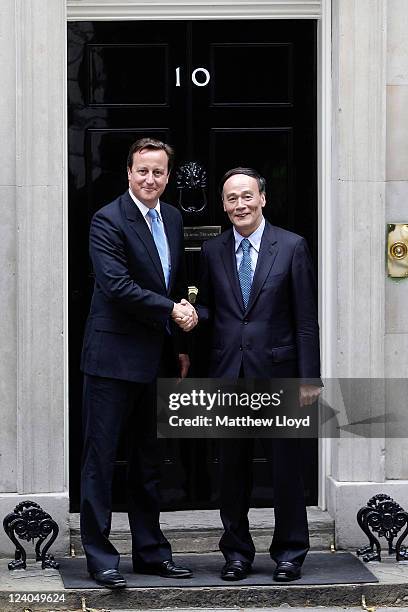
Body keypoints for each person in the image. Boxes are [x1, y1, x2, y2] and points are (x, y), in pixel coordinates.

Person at [80, 137, 197, 589]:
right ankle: (100, 557)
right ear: (129, 172)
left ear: (168, 177)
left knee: (149, 463)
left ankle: (150, 552)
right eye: (143, 170)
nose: (151, 179)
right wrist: (172, 309)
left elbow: (176, 281)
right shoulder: (107, 220)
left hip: (156, 360)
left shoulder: (172, 217)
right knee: (101, 460)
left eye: (159, 172)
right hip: (111, 362)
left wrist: (181, 346)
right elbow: (117, 285)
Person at [197, 167, 321, 582]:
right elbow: (212, 311)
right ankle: (236, 553)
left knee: (287, 469)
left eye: (246, 196)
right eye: (231, 199)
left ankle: (290, 552)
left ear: (262, 199)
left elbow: (305, 320)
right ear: (224, 204)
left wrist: (309, 378)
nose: (239, 205)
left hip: (280, 373)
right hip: (229, 373)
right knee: (231, 471)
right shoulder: (212, 251)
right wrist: (192, 316)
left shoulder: (291, 247)